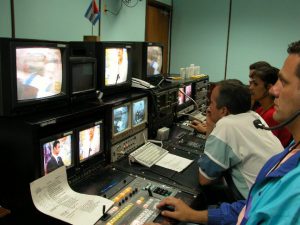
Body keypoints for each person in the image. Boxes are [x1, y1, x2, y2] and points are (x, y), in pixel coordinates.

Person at [144, 40, 300, 225]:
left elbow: (205, 179)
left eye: (284, 82)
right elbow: (250, 207)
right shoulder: (288, 148)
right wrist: (191, 215)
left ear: (224, 110)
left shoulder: (294, 193)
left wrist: (213, 128)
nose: (274, 90)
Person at [192, 80, 283, 200]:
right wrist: (210, 124)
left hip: (254, 205)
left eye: (212, 102)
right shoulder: (254, 116)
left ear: (223, 111)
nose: (209, 107)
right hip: (276, 195)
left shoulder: (227, 124)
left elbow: (205, 179)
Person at [249, 65, 292, 147]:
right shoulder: (260, 109)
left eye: (255, 84)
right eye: (251, 83)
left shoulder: (273, 114)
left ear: (269, 87)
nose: (250, 88)